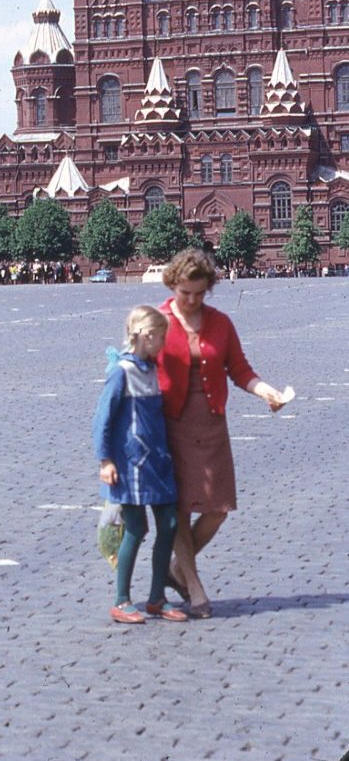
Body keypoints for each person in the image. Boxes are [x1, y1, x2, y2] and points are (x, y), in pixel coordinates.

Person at [156, 248, 287, 618]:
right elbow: (135, 365)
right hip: (171, 426)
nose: (193, 300)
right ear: (173, 284)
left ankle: (176, 569)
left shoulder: (220, 323)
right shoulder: (158, 320)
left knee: (218, 508)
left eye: (199, 293)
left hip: (211, 424)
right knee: (180, 508)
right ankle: (194, 588)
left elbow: (240, 369)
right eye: (186, 293)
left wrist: (266, 392)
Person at [94, 305, 187, 624]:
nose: (164, 344)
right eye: (161, 338)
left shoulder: (150, 370)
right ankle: (122, 599)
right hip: (130, 465)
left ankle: (157, 598)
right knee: (136, 527)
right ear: (147, 336)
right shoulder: (121, 371)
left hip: (157, 463)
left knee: (170, 525)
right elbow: (102, 419)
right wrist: (105, 459)